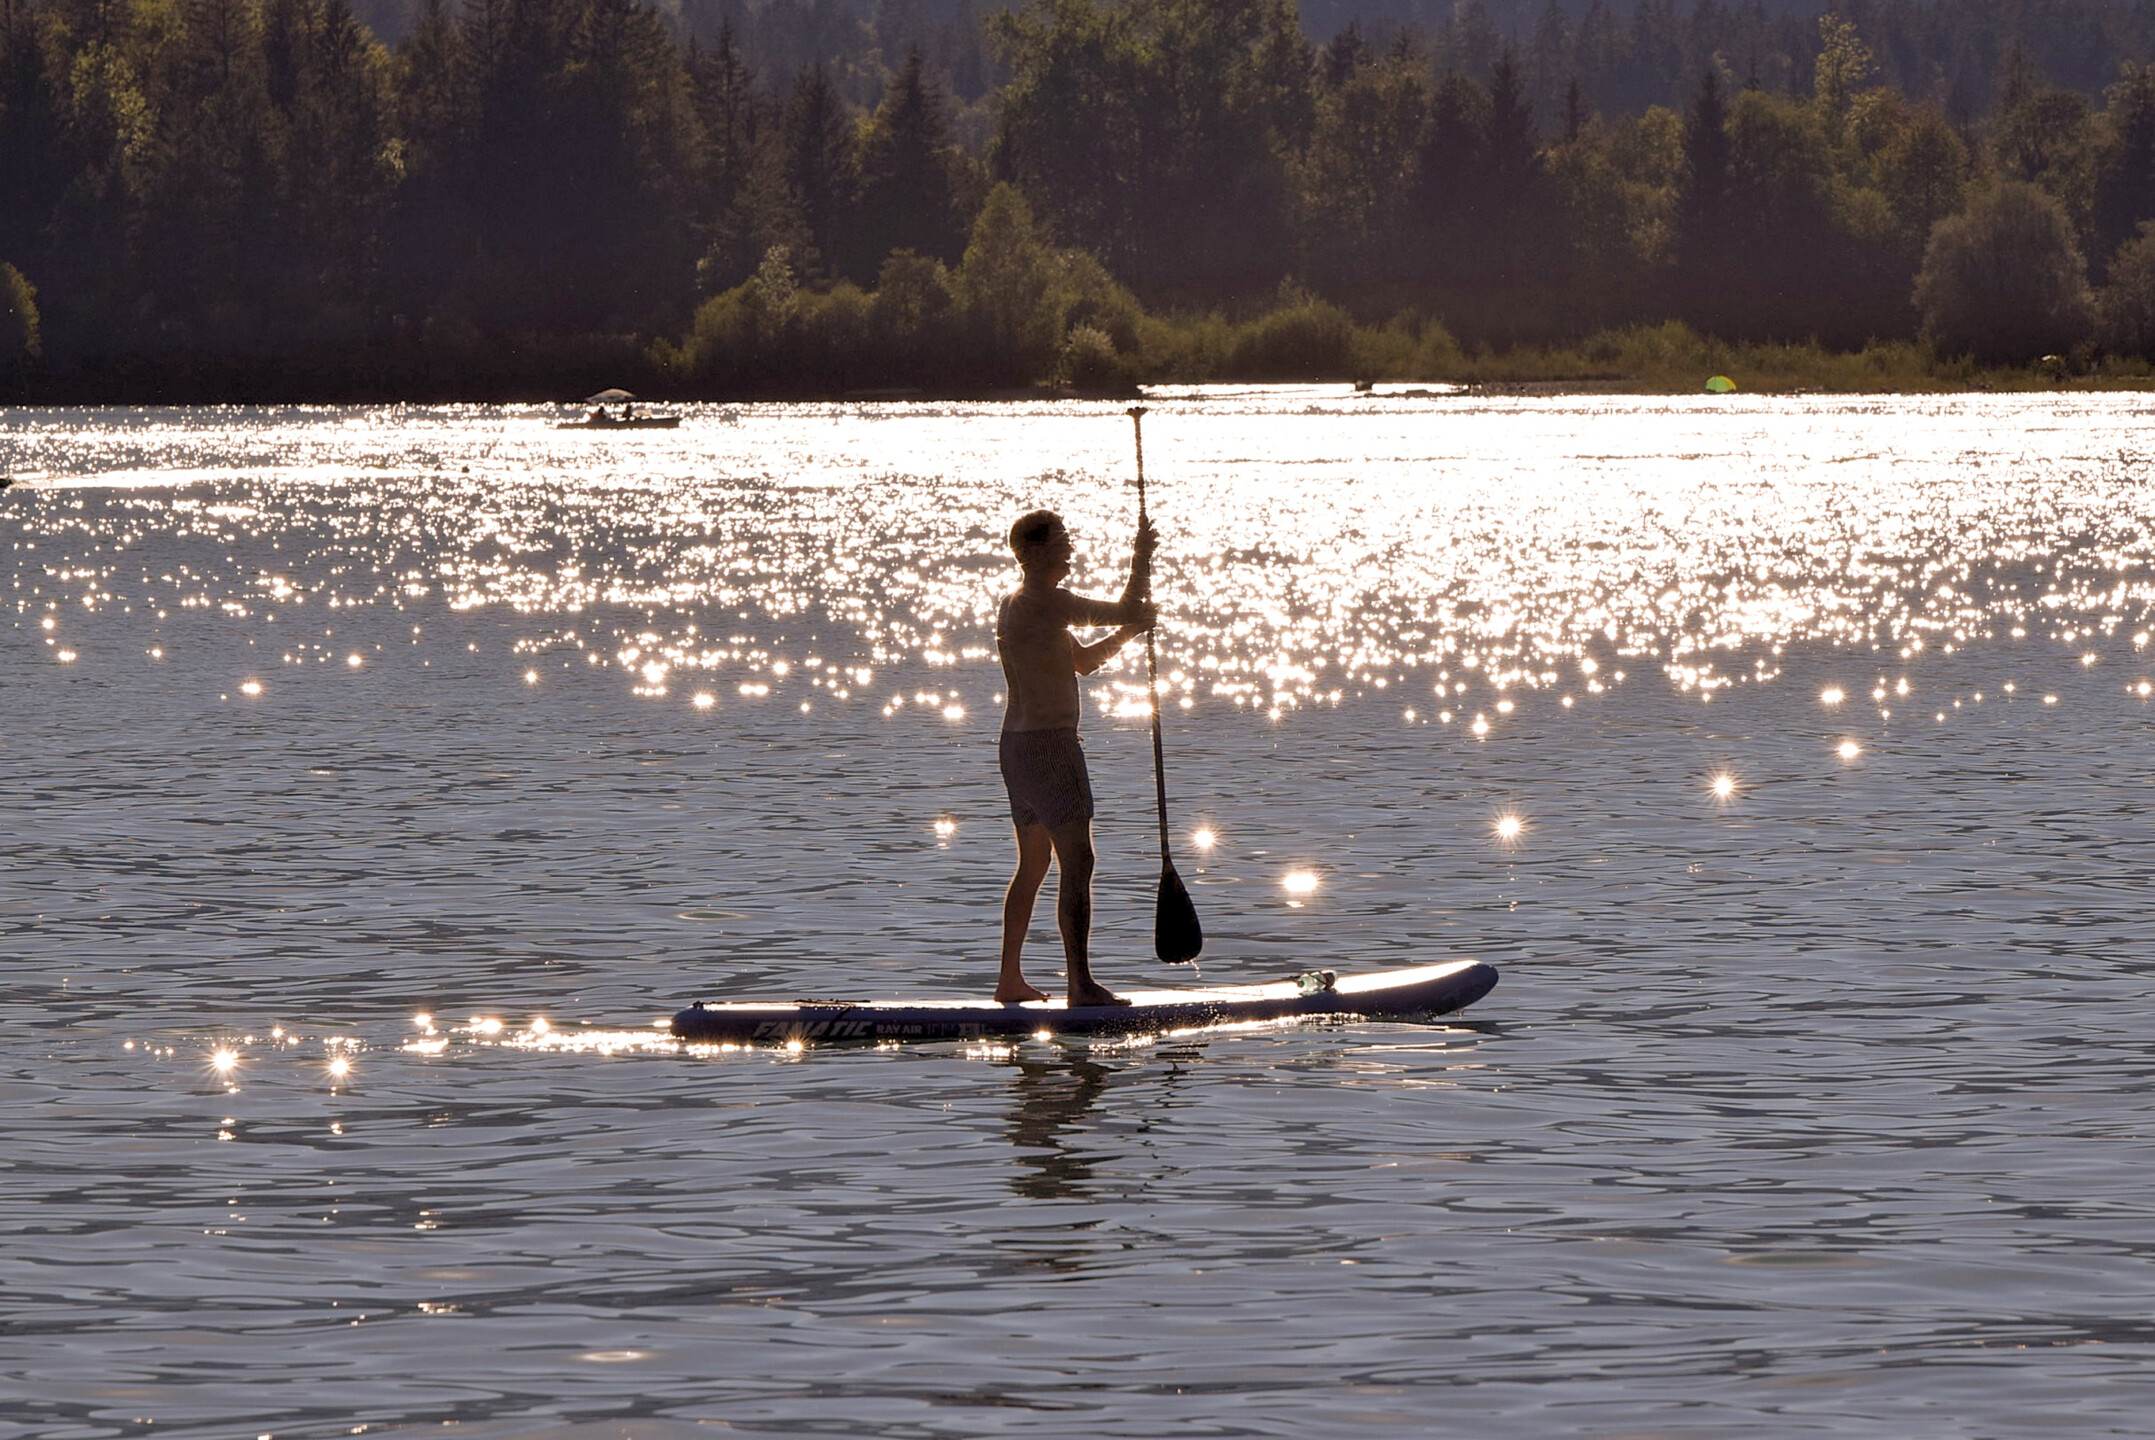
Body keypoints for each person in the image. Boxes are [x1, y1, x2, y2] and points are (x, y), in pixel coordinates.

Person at [994, 508, 1157, 1006]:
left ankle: (1010, 981)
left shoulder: (1018, 605)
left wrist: (1130, 634)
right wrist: (1141, 559)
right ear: (1036, 551)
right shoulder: (1048, 602)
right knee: (1078, 860)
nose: (1071, 547)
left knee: (1035, 864)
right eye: (1062, 539)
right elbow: (1127, 606)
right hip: (1049, 747)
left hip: (1016, 748)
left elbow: (1082, 662)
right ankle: (1080, 986)